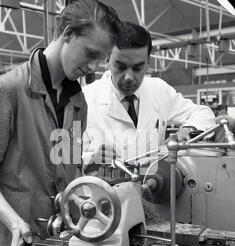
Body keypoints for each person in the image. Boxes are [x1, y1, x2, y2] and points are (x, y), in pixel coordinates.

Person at [0, 0, 122, 246]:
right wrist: (15, 222)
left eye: (102, 59)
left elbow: (67, 169)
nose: (95, 67)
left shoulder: (77, 101)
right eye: (92, 54)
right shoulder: (8, 91)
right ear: (68, 33)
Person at [82, 22, 215, 170]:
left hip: (153, 186)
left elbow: (204, 113)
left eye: (138, 68)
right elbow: (66, 157)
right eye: (121, 66)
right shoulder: (85, 99)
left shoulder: (158, 90)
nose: (129, 77)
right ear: (107, 60)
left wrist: (188, 130)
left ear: (147, 64)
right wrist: (92, 159)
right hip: (106, 190)